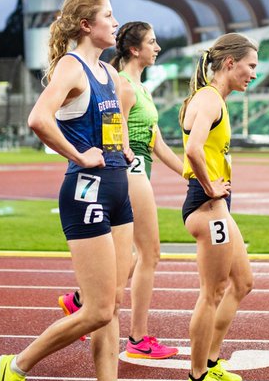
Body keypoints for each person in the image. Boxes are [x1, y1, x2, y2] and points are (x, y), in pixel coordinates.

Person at [0, 0, 162, 381]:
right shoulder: (72, 66)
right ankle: (17, 365)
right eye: (108, 15)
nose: (114, 21)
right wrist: (79, 153)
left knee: (111, 305)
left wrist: (123, 150)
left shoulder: (108, 72)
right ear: (86, 25)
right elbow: (39, 119)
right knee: (97, 312)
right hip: (85, 191)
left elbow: (115, 122)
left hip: (117, 191)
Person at [57, 21, 186, 360]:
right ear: (134, 49)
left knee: (128, 258)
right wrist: (118, 156)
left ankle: (83, 302)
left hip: (137, 168)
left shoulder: (142, 89)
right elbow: (115, 129)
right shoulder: (122, 86)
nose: (157, 47)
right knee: (150, 254)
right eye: (152, 42)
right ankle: (138, 338)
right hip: (129, 170)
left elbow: (157, 141)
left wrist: (189, 172)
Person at [179, 33, 258, 381]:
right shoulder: (210, 100)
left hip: (218, 207)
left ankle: (211, 363)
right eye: (251, 66)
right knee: (211, 293)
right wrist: (210, 186)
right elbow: (194, 148)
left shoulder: (216, 100)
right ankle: (197, 379)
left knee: (242, 282)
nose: (254, 74)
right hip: (208, 208)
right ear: (230, 63)